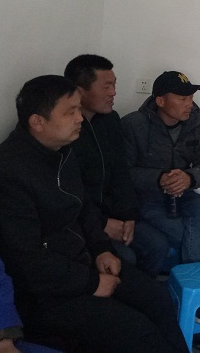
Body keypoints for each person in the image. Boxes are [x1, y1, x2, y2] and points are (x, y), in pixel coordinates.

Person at [0, 75, 187, 353]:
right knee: (138, 332)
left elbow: (83, 207)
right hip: (44, 295)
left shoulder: (63, 151)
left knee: (157, 298)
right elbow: (27, 261)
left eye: (78, 109)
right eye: (70, 112)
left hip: (83, 264)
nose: (80, 118)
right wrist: (92, 282)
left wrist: (102, 249)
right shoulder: (6, 173)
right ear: (38, 122)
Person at [121, 71, 200, 325]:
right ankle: (197, 300)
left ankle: (192, 298)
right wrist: (158, 178)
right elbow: (123, 172)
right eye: (182, 98)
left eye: (191, 98)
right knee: (188, 235)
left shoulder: (199, 123)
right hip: (148, 198)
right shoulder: (133, 125)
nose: (190, 104)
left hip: (184, 193)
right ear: (160, 101)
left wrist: (190, 177)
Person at [64, 54, 140, 268]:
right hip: (83, 221)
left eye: (114, 85)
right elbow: (69, 191)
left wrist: (129, 215)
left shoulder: (110, 120)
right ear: (80, 91)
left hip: (113, 213)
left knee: (156, 246)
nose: (113, 92)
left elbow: (121, 172)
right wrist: (102, 223)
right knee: (127, 257)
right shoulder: (63, 132)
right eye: (107, 87)